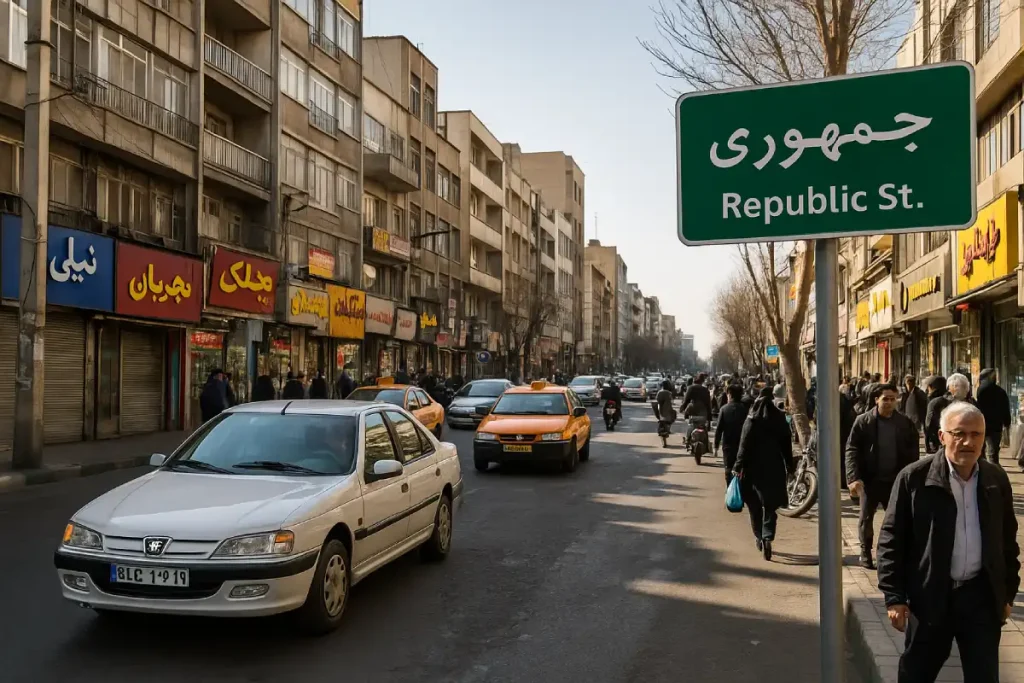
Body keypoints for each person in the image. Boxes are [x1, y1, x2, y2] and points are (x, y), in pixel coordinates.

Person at [877, 402, 1020, 683]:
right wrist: (894, 597)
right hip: (930, 597)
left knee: (984, 676)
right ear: (942, 437)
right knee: (916, 674)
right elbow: (891, 541)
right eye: (959, 434)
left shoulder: (995, 479)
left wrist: (1007, 594)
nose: (968, 442)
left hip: (980, 598)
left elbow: (1007, 541)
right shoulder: (914, 478)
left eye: (976, 434)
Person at [845, 383, 919, 570]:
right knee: (866, 518)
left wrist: (912, 478)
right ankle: (865, 553)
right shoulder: (864, 421)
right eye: (885, 399)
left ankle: (892, 555)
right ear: (876, 399)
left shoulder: (904, 423)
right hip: (870, 480)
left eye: (893, 399)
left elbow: (913, 453)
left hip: (895, 481)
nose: (889, 402)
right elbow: (851, 449)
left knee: (897, 520)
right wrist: (853, 477)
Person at [733, 386, 793, 561]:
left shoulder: (751, 419)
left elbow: (743, 446)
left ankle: (759, 535)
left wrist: (737, 466)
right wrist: (790, 467)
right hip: (774, 468)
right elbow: (786, 446)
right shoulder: (780, 418)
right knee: (770, 505)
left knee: (754, 506)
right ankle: (768, 536)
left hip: (752, 469)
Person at [976, 368, 1011, 466]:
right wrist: (1007, 423)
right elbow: (1005, 408)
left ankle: (982, 471)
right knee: (993, 453)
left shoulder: (980, 390)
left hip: (982, 424)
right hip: (996, 425)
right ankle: (994, 474)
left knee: (980, 451)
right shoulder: (1000, 391)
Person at [715, 384, 749, 486]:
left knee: (729, 468)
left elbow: (719, 429)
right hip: (743, 445)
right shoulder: (745, 410)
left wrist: (716, 446)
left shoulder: (724, 409)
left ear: (729, 395)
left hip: (728, 446)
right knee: (742, 468)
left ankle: (730, 491)